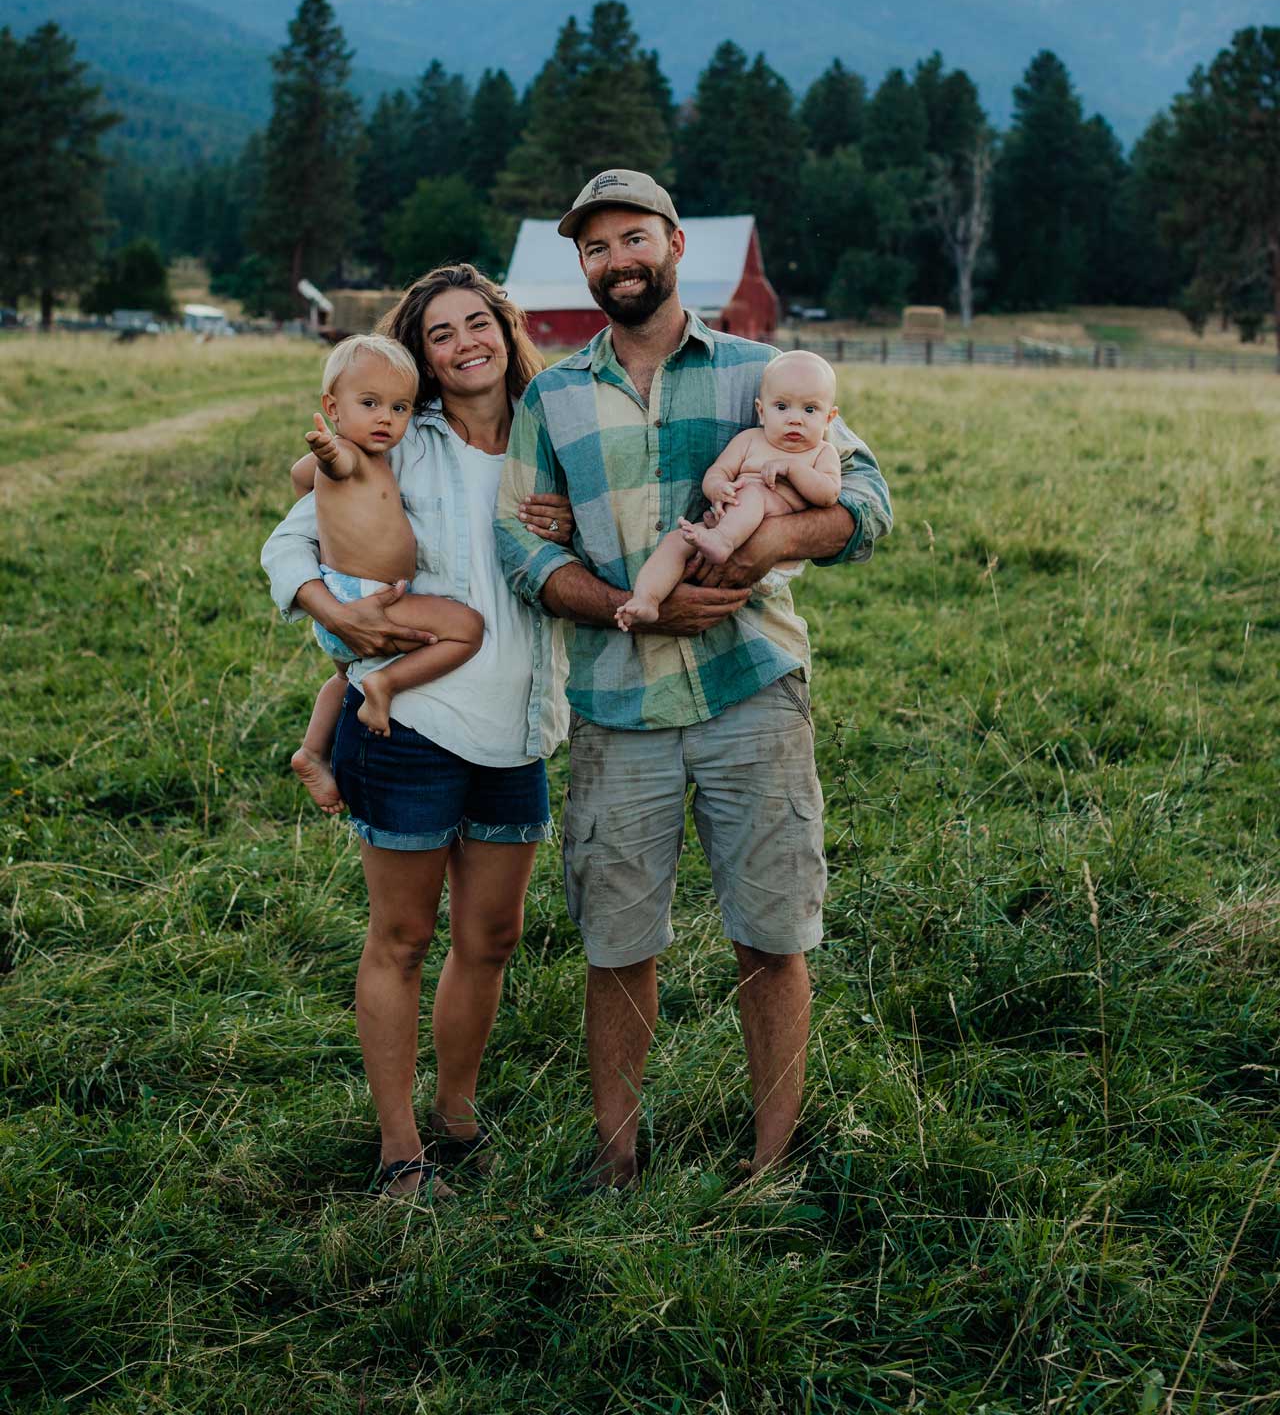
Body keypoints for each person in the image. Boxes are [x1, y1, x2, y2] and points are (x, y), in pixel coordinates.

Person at [496, 169, 893, 1185]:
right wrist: (621, 599)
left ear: (674, 245)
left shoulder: (767, 375)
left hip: (748, 688)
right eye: (595, 248)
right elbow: (520, 549)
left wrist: (771, 545)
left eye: (634, 238)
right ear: (581, 266)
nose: (617, 260)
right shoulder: (553, 397)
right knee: (617, 942)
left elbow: (868, 503)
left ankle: (772, 1160)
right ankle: (616, 1155)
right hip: (616, 702)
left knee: (770, 930)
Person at [261, 265, 574, 1199]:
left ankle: (458, 1118)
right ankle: (401, 1152)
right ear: (422, 356)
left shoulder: (553, 443)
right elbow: (290, 538)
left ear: (504, 330)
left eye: (478, 323)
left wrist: (575, 529)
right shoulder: (401, 444)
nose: (465, 342)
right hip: (413, 725)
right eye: (441, 334)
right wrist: (334, 611)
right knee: (401, 937)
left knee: (492, 937)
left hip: (520, 727)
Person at [288, 333, 485, 815]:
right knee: (466, 630)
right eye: (370, 403)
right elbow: (336, 464)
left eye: (400, 408)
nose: (386, 418)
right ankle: (385, 685)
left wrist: (315, 480)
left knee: (341, 678)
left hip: (346, 598)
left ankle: (312, 751)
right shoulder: (351, 455)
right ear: (333, 407)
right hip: (368, 597)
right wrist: (329, 452)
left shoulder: (371, 457)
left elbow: (299, 475)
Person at [615, 349, 843, 630]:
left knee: (755, 493)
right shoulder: (749, 440)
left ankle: (722, 540)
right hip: (723, 530)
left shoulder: (822, 453)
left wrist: (793, 469)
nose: (795, 419)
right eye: (782, 407)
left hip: (770, 560)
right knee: (677, 540)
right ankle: (647, 599)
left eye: (810, 410)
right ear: (761, 411)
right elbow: (717, 472)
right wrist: (718, 488)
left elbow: (829, 494)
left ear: (829, 418)